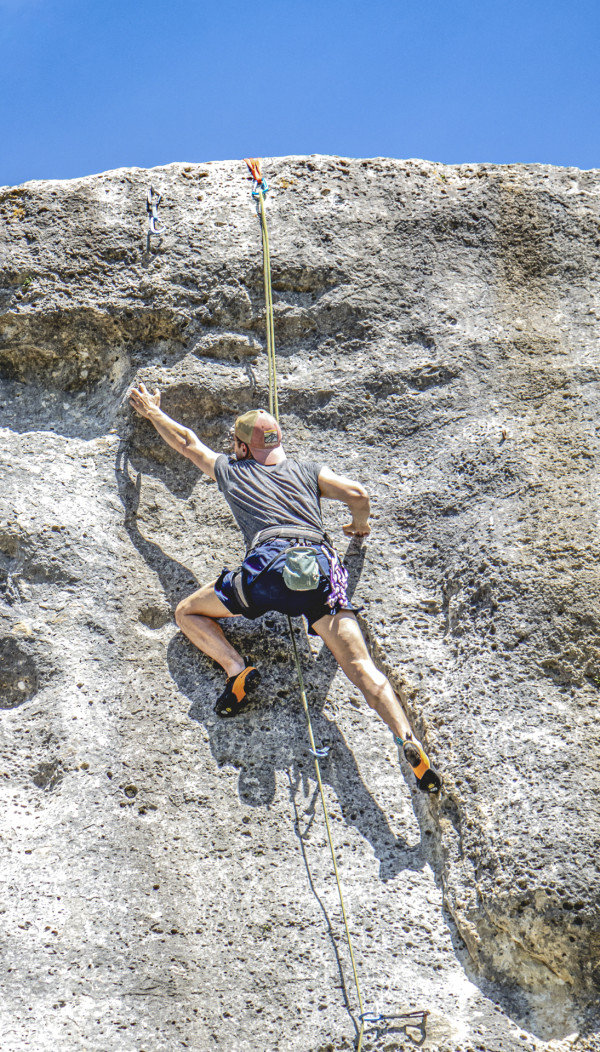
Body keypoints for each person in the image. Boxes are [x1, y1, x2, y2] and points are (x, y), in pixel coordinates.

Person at [129, 383, 442, 793]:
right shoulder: (307, 471)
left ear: (242, 448)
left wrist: (153, 412)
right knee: (363, 668)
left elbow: (188, 443)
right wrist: (360, 525)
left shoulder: (232, 469)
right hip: (319, 574)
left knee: (187, 612)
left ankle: (236, 669)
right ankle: (407, 739)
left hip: (268, 571)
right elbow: (357, 494)